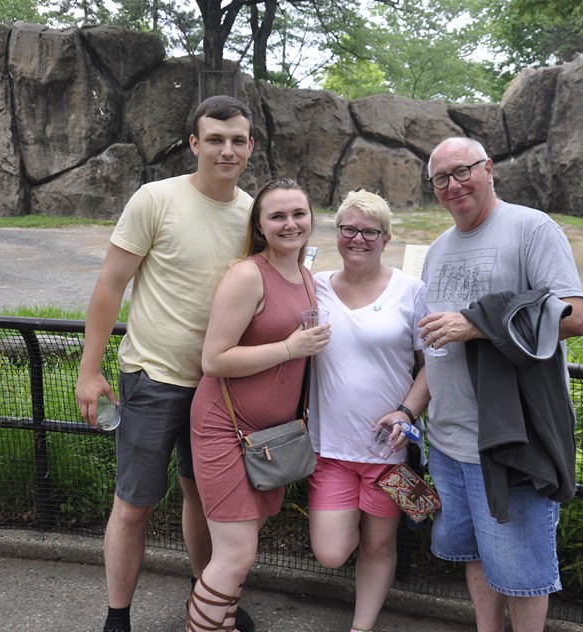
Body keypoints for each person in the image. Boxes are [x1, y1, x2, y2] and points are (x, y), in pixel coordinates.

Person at [75, 95, 258, 632]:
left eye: (238, 140)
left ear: (250, 146)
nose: (228, 149)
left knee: (206, 501)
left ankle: (210, 599)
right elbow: (111, 284)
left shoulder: (254, 214)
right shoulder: (155, 199)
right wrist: (91, 368)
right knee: (134, 504)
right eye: (216, 139)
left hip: (220, 388)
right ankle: (117, 616)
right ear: (195, 143)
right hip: (153, 379)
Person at [417, 137, 583, 632]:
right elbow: (435, 350)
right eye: (441, 179)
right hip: (447, 442)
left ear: (488, 168)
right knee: (476, 555)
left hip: (510, 440)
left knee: (522, 571)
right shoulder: (437, 250)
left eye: (463, 171)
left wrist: (478, 325)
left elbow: (574, 316)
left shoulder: (531, 228)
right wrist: (412, 413)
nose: (453, 185)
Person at [188, 178, 332, 631]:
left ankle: (223, 624)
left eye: (298, 214)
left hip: (271, 439)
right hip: (226, 429)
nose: (290, 224)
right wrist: (290, 349)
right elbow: (214, 359)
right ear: (260, 226)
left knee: (242, 548)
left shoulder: (306, 276)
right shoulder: (248, 274)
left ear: (311, 218)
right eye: (278, 216)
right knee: (236, 554)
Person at [306, 189, 431, 632]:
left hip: (389, 451)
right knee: (330, 551)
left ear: (386, 236)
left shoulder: (411, 291)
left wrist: (406, 412)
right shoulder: (314, 286)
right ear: (336, 232)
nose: (358, 239)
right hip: (331, 448)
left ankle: (362, 626)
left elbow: (431, 367)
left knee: (379, 545)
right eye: (349, 229)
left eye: (370, 231)